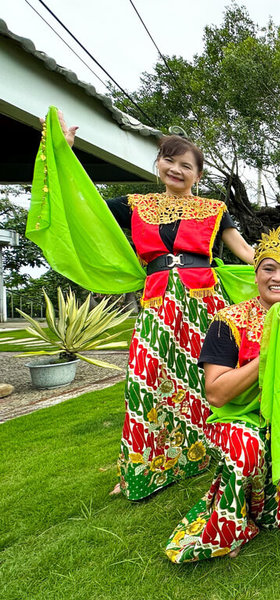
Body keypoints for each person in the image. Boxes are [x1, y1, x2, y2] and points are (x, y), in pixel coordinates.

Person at [48, 112, 255, 500]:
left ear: (198, 175)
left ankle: (211, 451)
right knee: (146, 381)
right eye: (169, 160)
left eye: (186, 166)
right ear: (158, 164)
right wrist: (66, 153)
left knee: (208, 379)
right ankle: (139, 466)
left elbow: (244, 251)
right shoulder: (134, 204)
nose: (176, 169)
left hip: (205, 305)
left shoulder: (214, 210)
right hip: (157, 303)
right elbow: (84, 206)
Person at [165, 227, 280, 563]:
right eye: (268, 268)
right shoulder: (228, 321)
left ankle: (257, 494)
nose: (278, 277)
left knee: (278, 517)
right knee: (247, 446)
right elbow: (215, 393)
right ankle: (228, 528)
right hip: (236, 419)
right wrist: (266, 357)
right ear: (255, 275)